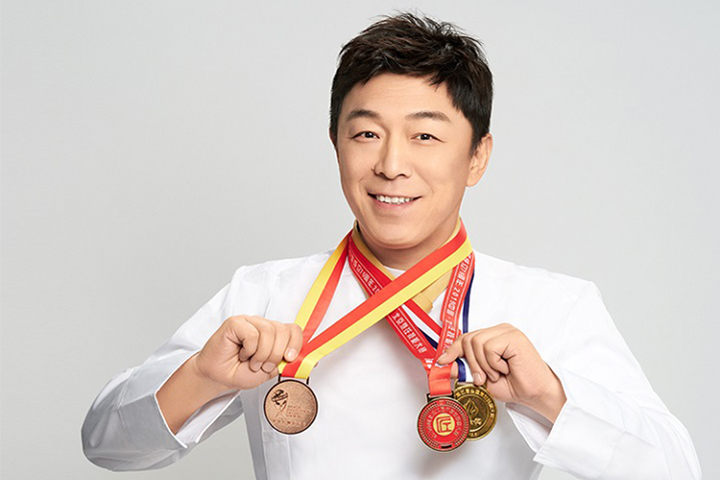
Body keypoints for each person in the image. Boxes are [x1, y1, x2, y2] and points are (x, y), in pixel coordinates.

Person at [82, 13, 701, 480]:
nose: (391, 164)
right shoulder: (264, 296)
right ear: (335, 144)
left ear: (477, 157)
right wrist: (199, 377)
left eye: (425, 136)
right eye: (367, 134)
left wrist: (549, 396)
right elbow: (106, 444)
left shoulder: (552, 306)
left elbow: (677, 468)